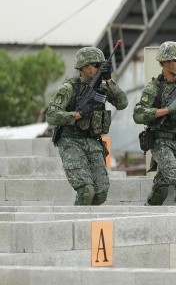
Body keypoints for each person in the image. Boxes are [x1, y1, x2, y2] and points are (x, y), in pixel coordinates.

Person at [46, 47, 128, 205]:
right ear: (82, 67)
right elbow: (51, 115)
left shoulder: (103, 87)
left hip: (93, 140)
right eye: (95, 65)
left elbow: (122, 103)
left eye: (101, 65)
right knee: (86, 191)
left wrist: (109, 79)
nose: (99, 68)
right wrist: (76, 115)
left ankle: (89, 224)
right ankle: (77, 223)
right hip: (71, 141)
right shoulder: (68, 88)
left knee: (100, 193)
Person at [133, 41, 176, 206]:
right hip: (160, 143)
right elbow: (138, 114)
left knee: (161, 189)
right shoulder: (154, 88)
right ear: (164, 62)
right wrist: (167, 110)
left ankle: (147, 213)